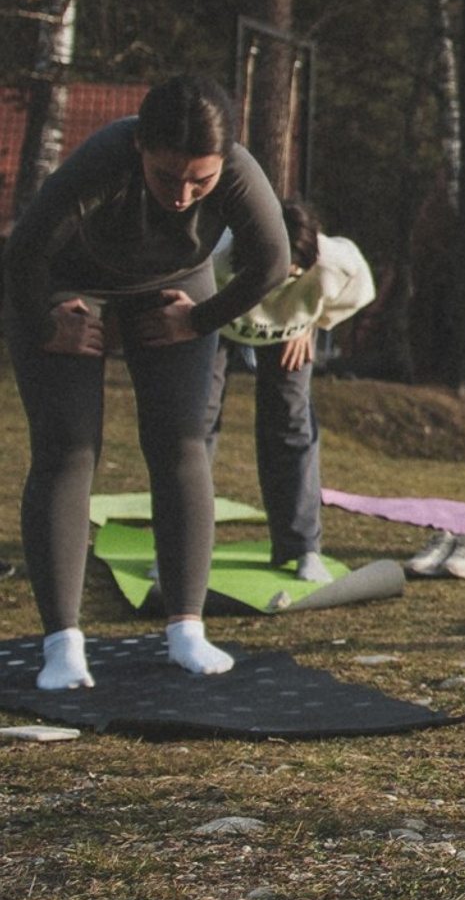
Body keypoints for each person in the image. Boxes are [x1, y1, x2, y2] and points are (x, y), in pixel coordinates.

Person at [4, 74, 292, 688]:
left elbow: (271, 261)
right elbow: (22, 252)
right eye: (167, 178)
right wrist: (43, 325)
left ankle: (187, 629)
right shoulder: (104, 159)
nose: (183, 195)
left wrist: (200, 321)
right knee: (69, 449)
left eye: (201, 180)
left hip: (174, 289)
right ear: (140, 148)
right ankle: (62, 644)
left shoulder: (238, 171)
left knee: (182, 443)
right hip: (68, 285)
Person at [214, 200, 377, 580]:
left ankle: (302, 547)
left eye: (289, 276)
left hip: (289, 331)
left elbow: (360, 290)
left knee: (291, 424)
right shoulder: (216, 252)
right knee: (195, 425)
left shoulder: (336, 262)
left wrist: (313, 321)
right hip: (216, 321)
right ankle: (175, 548)